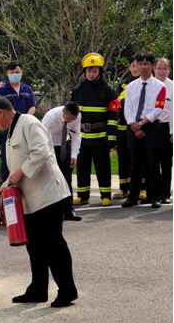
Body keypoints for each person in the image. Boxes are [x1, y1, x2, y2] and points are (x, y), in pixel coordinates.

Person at [0, 95, 78, 308]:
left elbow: (41, 152)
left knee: (54, 245)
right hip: (30, 199)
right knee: (35, 247)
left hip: (47, 195)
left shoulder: (29, 122)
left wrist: (20, 173)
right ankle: (38, 289)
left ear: (0, 112)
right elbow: (13, 172)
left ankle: (67, 290)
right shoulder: (10, 133)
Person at [71, 53, 120, 206]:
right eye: (89, 71)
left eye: (94, 71)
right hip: (82, 137)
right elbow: (72, 114)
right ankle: (82, 196)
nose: (91, 74)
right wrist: (71, 134)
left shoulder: (109, 90)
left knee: (103, 167)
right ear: (84, 72)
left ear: (100, 72)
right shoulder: (77, 90)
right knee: (82, 168)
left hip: (101, 137)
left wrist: (111, 137)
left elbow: (113, 115)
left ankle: (105, 196)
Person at [122, 52, 166, 209]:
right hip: (133, 126)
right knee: (134, 163)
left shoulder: (160, 86)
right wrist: (134, 125)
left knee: (152, 162)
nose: (142, 67)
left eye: (146, 64)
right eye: (140, 64)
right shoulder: (131, 86)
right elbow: (127, 108)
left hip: (150, 126)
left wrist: (142, 124)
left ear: (152, 66)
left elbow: (158, 109)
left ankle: (155, 196)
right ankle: (132, 196)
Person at [0, 61, 37, 185]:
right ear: (7, 74)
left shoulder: (27, 89)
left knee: (25, 158)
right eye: (12, 72)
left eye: (17, 72)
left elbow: (33, 106)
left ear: (22, 73)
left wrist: (25, 119)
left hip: (25, 130)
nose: (15, 75)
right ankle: (3, 188)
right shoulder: (2, 91)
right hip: (8, 130)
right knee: (6, 161)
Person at [42, 102, 82, 221]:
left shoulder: (77, 117)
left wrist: (74, 155)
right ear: (63, 111)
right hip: (50, 147)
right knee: (50, 179)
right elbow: (40, 136)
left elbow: (76, 135)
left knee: (66, 179)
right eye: (69, 118)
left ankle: (69, 211)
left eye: (73, 119)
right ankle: (51, 211)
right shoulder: (51, 117)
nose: (70, 121)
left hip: (65, 146)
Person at [114, 56, 145, 200]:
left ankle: (142, 188)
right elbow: (116, 104)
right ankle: (124, 188)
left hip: (137, 128)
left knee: (140, 158)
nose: (135, 68)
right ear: (129, 68)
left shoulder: (143, 84)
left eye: (138, 65)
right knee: (123, 159)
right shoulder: (122, 85)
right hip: (122, 130)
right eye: (133, 66)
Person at [154, 58, 173, 204]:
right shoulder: (150, 85)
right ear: (154, 68)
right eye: (159, 68)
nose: (162, 71)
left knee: (166, 162)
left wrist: (172, 131)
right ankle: (153, 193)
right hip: (151, 125)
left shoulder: (172, 86)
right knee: (152, 161)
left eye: (165, 69)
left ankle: (165, 193)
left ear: (169, 70)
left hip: (167, 126)